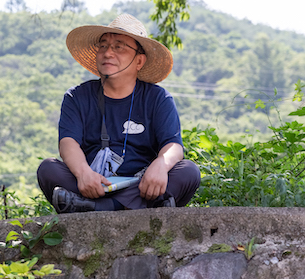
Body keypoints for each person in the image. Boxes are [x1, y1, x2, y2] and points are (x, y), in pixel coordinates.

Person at [37, 13, 200, 213]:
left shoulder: (158, 98)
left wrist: (161, 165)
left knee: (188, 171)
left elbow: (173, 146)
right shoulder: (77, 96)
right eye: (103, 46)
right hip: (92, 186)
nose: (108, 53)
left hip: (142, 186)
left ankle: (97, 209)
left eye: (119, 47)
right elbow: (68, 143)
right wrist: (83, 174)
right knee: (48, 169)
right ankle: (133, 208)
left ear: (139, 61)